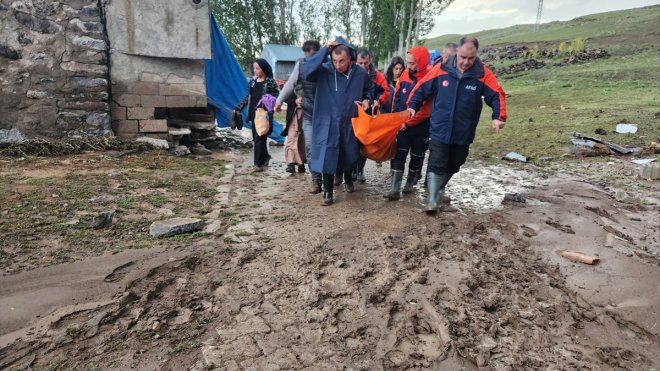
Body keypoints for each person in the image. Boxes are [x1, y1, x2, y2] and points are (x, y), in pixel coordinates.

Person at [407, 36, 507, 213]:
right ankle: (431, 201)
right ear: (457, 53)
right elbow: (422, 88)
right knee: (437, 161)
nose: (466, 62)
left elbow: (497, 94)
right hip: (440, 126)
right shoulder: (441, 69)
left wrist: (498, 116)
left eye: (471, 58)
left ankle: (437, 192)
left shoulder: (482, 74)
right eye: (463, 57)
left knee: (456, 162)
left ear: (476, 55)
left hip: (464, 129)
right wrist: (413, 105)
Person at [300, 37, 374, 205]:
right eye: (334, 60)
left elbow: (370, 88)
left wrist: (367, 99)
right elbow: (305, 70)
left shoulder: (359, 73)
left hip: (350, 120)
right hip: (328, 120)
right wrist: (325, 50)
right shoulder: (324, 70)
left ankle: (348, 176)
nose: (338, 65)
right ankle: (327, 192)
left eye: (342, 61)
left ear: (349, 59)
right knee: (327, 154)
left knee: (350, 155)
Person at [384, 46, 431, 200]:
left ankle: (410, 182)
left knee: (417, 155)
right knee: (399, 154)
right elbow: (397, 97)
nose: (408, 66)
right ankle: (394, 188)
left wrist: (408, 122)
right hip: (402, 124)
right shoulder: (405, 74)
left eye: (411, 63)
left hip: (420, 127)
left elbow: (426, 109)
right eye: (407, 63)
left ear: (421, 62)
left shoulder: (430, 78)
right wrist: (395, 119)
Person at [276, 40, 323, 190]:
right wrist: (278, 101)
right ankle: (316, 179)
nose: (309, 59)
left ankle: (333, 174)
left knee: (325, 146)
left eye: (312, 56)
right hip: (308, 113)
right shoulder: (301, 65)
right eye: (307, 55)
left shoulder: (327, 66)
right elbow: (290, 84)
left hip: (325, 114)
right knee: (309, 145)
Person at [234, 59, 280, 172]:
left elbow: (277, 96)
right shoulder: (252, 81)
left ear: (264, 69)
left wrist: (268, 102)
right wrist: (238, 108)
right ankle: (265, 157)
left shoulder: (270, 82)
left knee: (259, 138)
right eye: (254, 68)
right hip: (252, 112)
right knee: (257, 138)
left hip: (263, 114)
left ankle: (257, 165)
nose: (255, 71)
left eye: (258, 68)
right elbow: (248, 97)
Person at [353, 48, 390, 183]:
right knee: (351, 143)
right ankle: (351, 169)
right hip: (352, 113)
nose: (363, 66)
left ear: (370, 62)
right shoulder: (351, 73)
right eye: (360, 63)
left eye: (366, 63)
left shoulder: (378, 76)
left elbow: (386, 91)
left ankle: (359, 170)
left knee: (364, 143)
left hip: (369, 113)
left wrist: (378, 101)